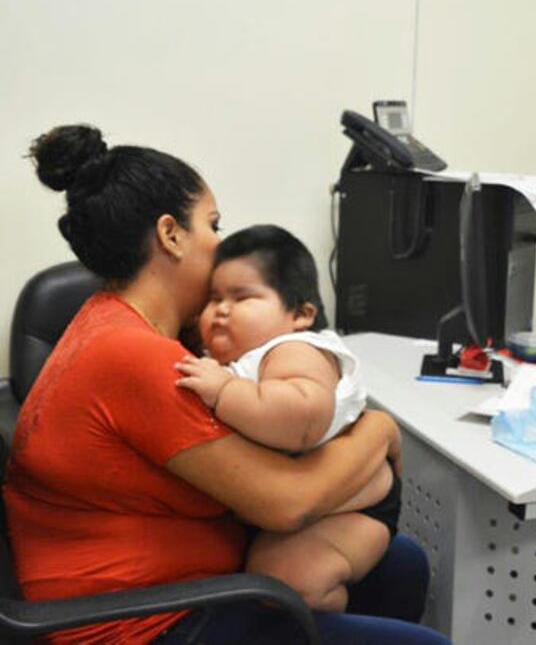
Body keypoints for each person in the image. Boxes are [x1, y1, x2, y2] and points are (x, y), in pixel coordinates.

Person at [5, 124, 449, 645]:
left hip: (181, 580)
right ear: (171, 234)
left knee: (402, 563)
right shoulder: (133, 355)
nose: (221, 243)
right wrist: (378, 430)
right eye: (213, 225)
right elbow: (288, 503)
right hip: (140, 623)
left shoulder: (112, 321)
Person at [174, 224, 399, 612]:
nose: (222, 309)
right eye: (213, 299)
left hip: (351, 506)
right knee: (266, 575)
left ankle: (336, 614)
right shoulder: (230, 362)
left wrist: (225, 391)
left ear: (301, 314)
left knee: (290, 579)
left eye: (242, 297)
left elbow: (303, 419)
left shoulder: (293, 349)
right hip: (302, 501)